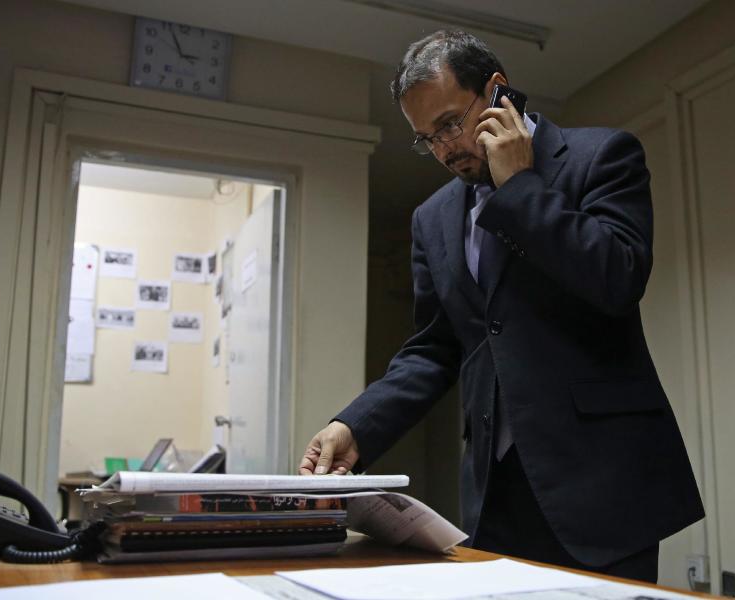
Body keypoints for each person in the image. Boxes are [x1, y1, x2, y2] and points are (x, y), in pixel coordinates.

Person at [298, 30, 704, 582]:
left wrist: (519, 188)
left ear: (496, 93)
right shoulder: (432, 218)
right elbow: (435, 349)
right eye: (426, 139)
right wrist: (355, 427)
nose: (443, 150)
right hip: (496, 489)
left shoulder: (602, 155)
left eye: (449, 125)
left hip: (601, 485)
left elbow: (617, 279)